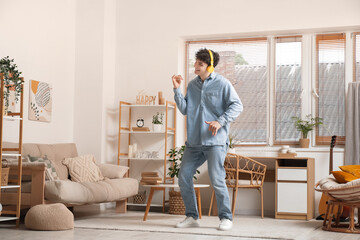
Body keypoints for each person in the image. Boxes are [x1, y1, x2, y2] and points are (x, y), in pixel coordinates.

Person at [172, 48, 243, 231]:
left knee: (216, 178)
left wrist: (220, 121)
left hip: (215, 142)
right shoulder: (193, 85)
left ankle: (226, 218)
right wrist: (176, 89)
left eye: (200, 64)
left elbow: (237, 105)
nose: (196, 66)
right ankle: (191, 216)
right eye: (196, 62)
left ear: (209, 67)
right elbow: (185, 109)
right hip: (194, 142)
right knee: (184, 176)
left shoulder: (223, 84)